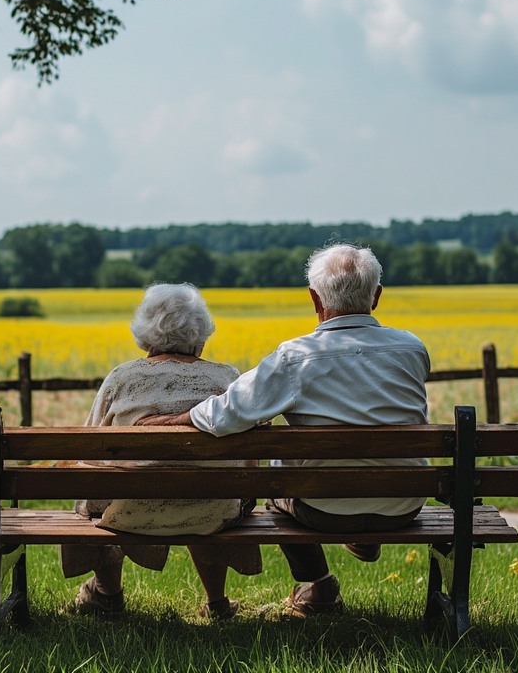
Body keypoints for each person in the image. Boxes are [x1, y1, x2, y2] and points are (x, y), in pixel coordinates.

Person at [137, 244, 430, 617]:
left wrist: (166, 422)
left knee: (277, 490)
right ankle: (363, 536)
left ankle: (319, 585)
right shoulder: (412, 348)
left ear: (314, 298)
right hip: (403, 505)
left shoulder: (295, 357)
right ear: (376, 296)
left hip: (321, 509)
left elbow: (225, 415)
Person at [61, 283, 261, 620]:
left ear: (145, 333)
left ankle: (107, 594)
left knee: (105, 491)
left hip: (129, 513)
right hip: (214, 513)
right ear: (201, 333)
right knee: (203, 489)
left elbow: (91, 449)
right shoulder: (226, 377)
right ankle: (216, 603)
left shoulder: (122, 378)